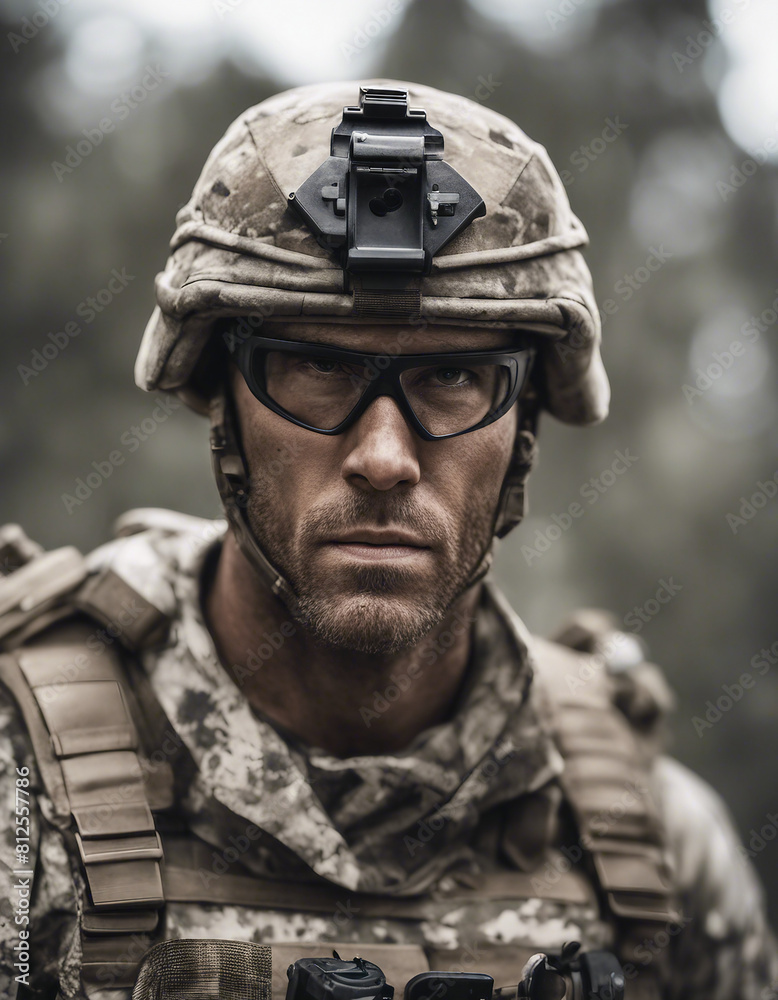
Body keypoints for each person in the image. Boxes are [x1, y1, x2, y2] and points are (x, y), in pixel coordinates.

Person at [0, 80, 775, 1000]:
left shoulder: (647, 847)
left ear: (522, 429)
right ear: (225, 408)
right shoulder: (21, 800)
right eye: (319, 366)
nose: (382, 457)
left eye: (453, 374)